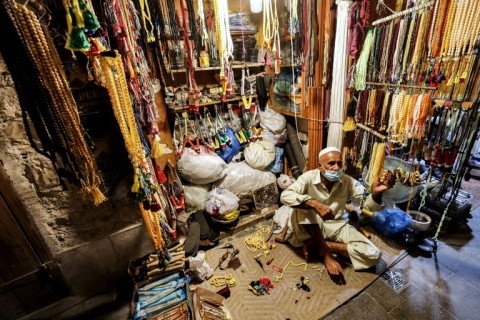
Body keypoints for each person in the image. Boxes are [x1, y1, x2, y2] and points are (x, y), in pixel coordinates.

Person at [280, 146, 392, 276]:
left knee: (374, 255)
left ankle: (320, 245)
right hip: (310, 226)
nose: (336, 167)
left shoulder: (347, 180)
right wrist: (314, 203)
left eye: (339, 163)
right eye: (331, 163)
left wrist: (376, 193)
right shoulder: (308, 178)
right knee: (304, 206)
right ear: (320, 166)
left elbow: (367, 204)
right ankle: (327, 255)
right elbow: (285, 196)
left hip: (336, 225)